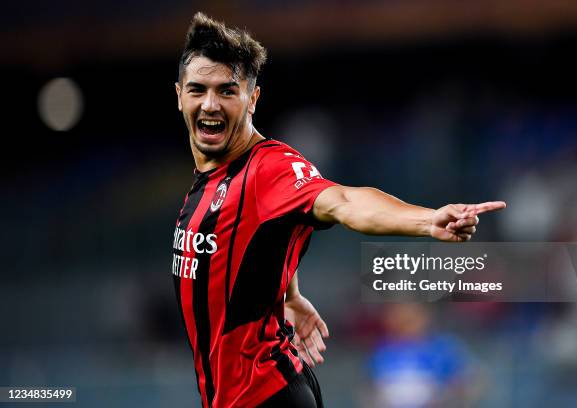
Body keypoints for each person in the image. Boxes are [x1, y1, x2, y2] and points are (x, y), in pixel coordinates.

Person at [171, 12, 506, 408]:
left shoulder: (270, 169)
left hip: (267, 395)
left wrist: (424, 220)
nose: (210, 104)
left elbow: (343, 201)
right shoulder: (209, 179)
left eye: (227, 91)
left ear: (252, 99)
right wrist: (288, 295)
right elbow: (262, 232)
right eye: (198, 90)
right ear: (179, 95)